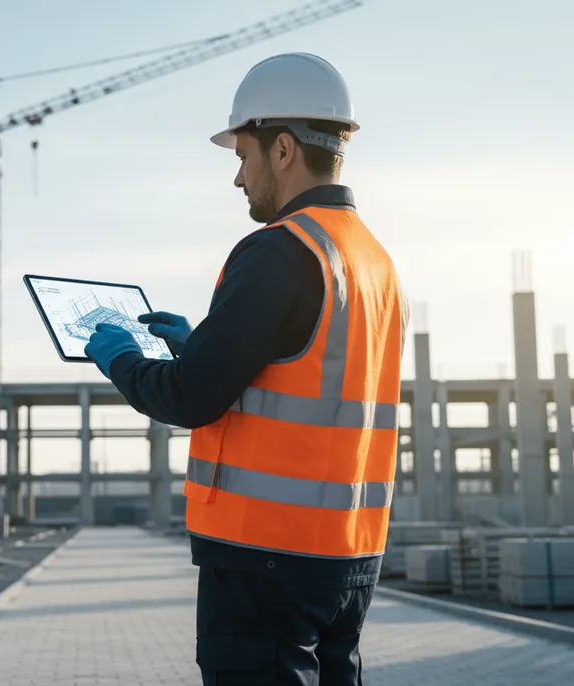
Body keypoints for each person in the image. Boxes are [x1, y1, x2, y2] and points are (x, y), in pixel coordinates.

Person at [83, 52, 408, 685]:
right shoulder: (373, 261)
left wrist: (120, 358)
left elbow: (188, 399)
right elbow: (308, 370)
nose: (238, 178)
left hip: (266, 561)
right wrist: (200, 343)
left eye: (241, 156)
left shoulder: (279, 250)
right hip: (348, 556)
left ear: (282, 149)